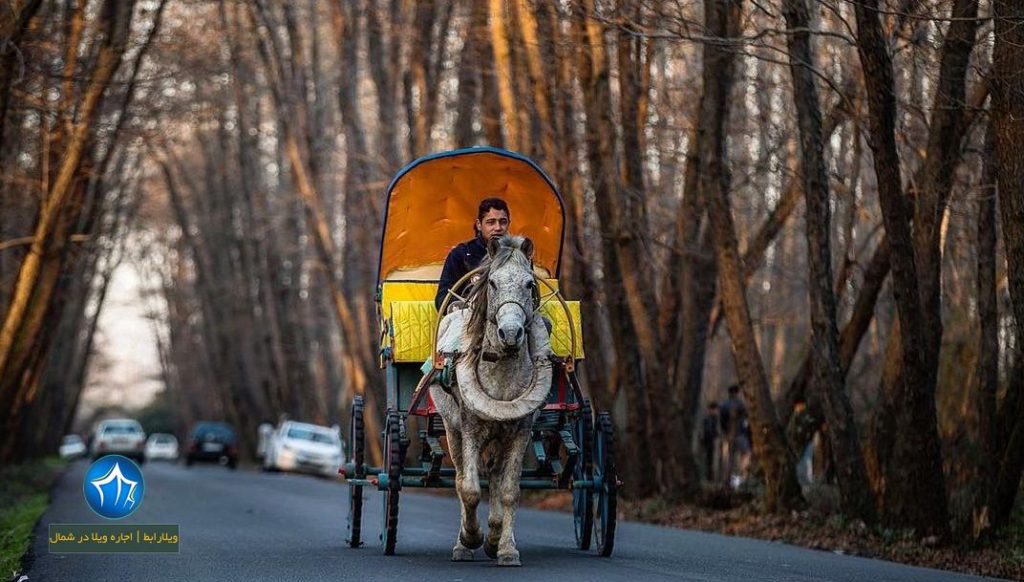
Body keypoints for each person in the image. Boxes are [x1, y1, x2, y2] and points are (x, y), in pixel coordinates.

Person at [434, 197, 510, 310]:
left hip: (512, 317)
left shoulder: (519, 254)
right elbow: (443, 298)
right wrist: (470, 306)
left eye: (503, 222)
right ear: (479, 225)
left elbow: (533, 296)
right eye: (491, 222)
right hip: (470, 317)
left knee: (544, 323)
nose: (498, 228)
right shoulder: (461, 254)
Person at [718, 384, 748, 487]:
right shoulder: (741, 405)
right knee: (744, 455)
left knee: (727, 459)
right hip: (740, 435)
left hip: (727, 435)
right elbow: (745, 420)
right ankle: (740, 480)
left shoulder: (724, 405)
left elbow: (721, 422)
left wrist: (724, 432)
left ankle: (726, 481)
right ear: (737, 393)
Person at [700, 402, 720, 483]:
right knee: (707, 459)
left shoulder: (714, 419)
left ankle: (709, 477)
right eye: (714, 409)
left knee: (710, 459)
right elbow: (707, 430)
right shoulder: (708, 419)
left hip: (711, 441)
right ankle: (707, 477)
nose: (716, 411)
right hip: (707, 441)